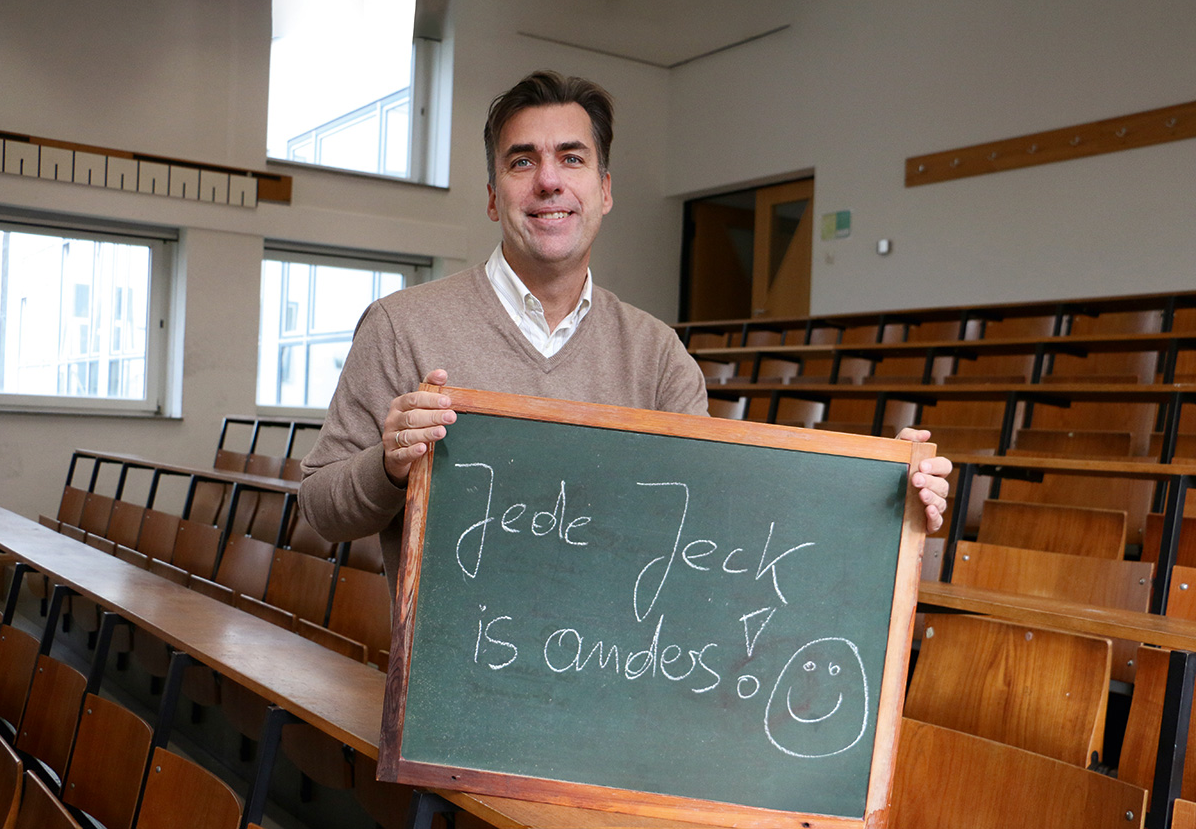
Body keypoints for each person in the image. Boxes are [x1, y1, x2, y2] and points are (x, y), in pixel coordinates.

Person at [298, 70, 952, 591]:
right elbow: (322, 507)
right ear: (494, 194)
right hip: (444, 725)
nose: (549, 179)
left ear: (604, 190)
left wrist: (880, 499)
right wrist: (388, 466)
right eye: (522, 161)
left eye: (572, 158)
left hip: (618, 697)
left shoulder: (658, 355)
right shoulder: (401, 326)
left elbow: (722, 524)